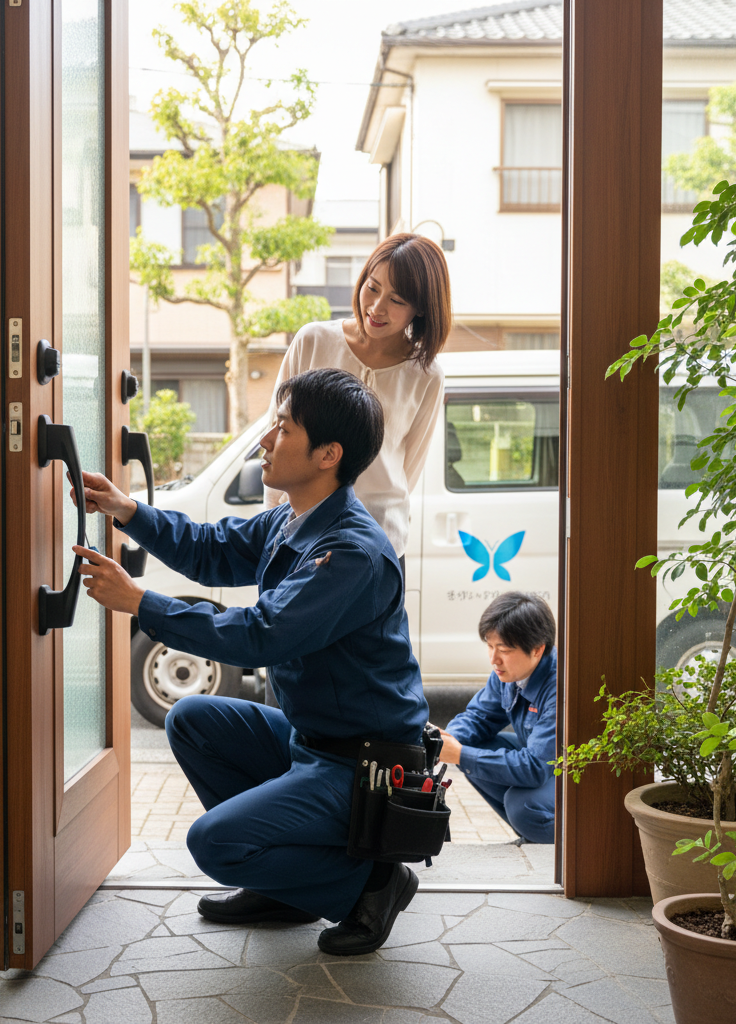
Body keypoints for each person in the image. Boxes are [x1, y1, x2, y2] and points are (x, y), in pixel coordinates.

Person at [69, 368, 429, 955]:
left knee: (215, 844)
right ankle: (286, 888)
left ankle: (372, 885)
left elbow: (261, 635)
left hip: (362, 765)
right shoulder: (293, 519)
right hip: (313, 741)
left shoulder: (351, 553)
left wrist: (139, 602)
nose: (265, 440)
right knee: (191, 720)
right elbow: (210, 549)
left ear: (328, 455)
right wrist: (127, 509)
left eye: (282, 429)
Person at [265, 233, 451, 565]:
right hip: (300, 536)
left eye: (397, 300)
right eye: (373, 287)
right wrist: (271, 530)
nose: (377, 308)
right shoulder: (313, 341)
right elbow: (276, 438)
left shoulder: (426, 376)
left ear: (421, 308)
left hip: (377, 544)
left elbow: (407, 471)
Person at [434, 592, 557, 845]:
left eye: (504, 650)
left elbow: (535, 767)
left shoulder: (560, 686)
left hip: (577, 778)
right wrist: (445, 739)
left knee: (523, 806)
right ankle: (531, 836)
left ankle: (560, 845)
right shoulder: (509, 672)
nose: (493, 659)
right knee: (471, 748)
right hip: (544, 763)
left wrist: (460, 754)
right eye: (490, 646)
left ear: (537, 649)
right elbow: (479, 717)